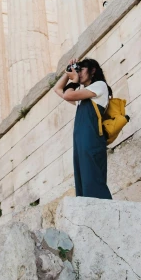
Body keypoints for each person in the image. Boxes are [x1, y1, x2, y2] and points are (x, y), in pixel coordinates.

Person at [53, 57, 113, 200]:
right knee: (82, 177)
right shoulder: (83, 95)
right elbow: (57, 89)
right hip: (81, 140)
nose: (78, 73)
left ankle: (102, 209)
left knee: (92, 175)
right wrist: (68, 72)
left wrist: (73, 81)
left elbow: (68, 95)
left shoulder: (99, 85)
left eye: (82, 69)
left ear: (93, 71)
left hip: (92, 138)